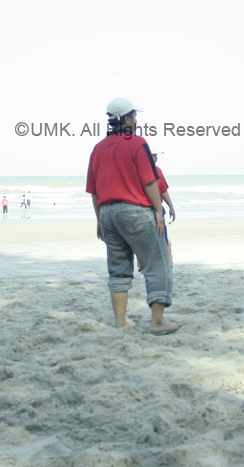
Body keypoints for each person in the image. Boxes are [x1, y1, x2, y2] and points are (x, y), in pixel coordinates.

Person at [86, 97, 182, 335]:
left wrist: (99, 219)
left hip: (108, 213)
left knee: (118, 269)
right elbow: (149, 181)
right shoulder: (138, 143)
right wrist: (158, 211)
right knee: (158, 263)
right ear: (127, 119)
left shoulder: (98, 148)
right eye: (135, 116)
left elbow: (94, 190)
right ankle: (157, 322)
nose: (137, 120)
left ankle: (120, 322)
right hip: (135, 211)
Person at [139, 150, 176, 270]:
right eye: (153, 156)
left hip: (157, 210)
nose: (156, 158)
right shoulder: (137, 171)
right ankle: (143, 268)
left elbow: (163, 190)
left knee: (162, 238)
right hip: (143, 210)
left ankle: (165, 265)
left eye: (156, 156)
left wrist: (171, 207)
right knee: (144, 241)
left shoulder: (158, 171)